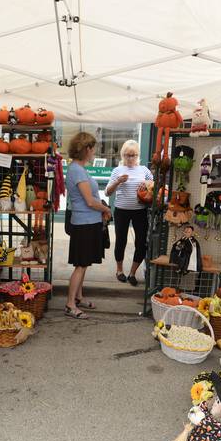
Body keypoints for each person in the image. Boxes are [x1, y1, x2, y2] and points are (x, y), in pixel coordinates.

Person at [65, 132, 112, 319]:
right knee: (81, 265)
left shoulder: (80, 169)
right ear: (86, 149)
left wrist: (101, 210)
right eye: (93, 148)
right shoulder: (77, 170)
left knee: (84, 263)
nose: (94, 152)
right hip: (83, 223)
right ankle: (70, 304)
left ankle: (78, 297)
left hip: (88, 222)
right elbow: (90, 201)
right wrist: (106, 210)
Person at [105, 140, 153, 285]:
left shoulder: (144, 170)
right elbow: (107, 192)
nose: (130, 158)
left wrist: (146, 187)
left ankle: (133, 273)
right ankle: (119, 270)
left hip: (140, 211)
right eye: (127, 155)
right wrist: (117, 182)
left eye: (133, 155)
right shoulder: (117, 171)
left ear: (138, 155)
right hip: (122, 211)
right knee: (121, 241)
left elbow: (153, 188)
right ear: (122, 155)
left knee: (141, 242)